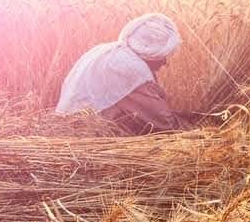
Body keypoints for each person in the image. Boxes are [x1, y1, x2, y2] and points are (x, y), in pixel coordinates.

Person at [56, 13, 189, 134]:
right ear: (150, 53)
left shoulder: (108, 50)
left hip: (67, 122)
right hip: (85, 131)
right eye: (162, 56)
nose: (165, 62)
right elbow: (164, 122)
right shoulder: (131, 69)